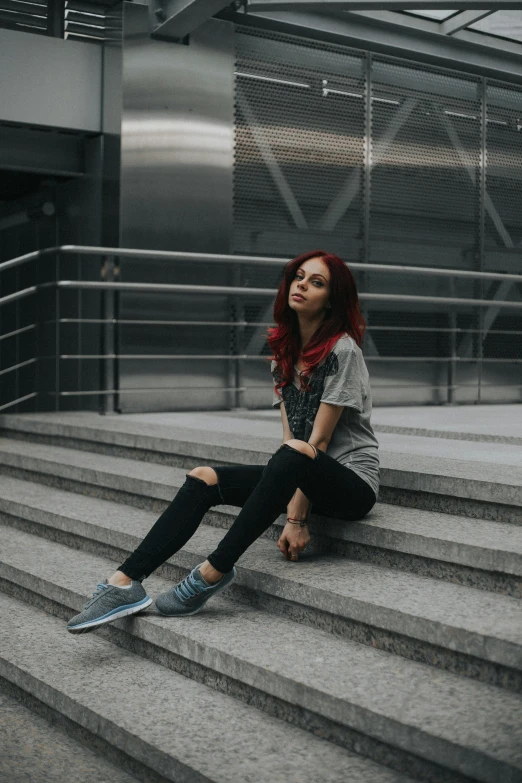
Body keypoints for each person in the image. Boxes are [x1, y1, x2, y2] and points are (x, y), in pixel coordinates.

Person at [67, 250, 379, 634]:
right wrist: (279, 490)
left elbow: (319, 441)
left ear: (331, 299)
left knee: (296, 451)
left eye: (317, 282)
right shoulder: (284, 353)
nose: (302, 284)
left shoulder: (343, 351)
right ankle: (124, 583)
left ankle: (211, 573)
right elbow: (289, 438)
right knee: (204, 477)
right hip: (299, 466)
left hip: (350, 483)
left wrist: (296, 518)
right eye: (299, 276)